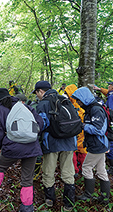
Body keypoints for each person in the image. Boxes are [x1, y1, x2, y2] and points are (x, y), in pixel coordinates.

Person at [0, 88, 44, 212]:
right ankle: (27, 207)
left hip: (11, 148)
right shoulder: (25, 107)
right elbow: (40, 123)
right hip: (32, 147)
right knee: (27, 178)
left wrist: (4, 145)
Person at [32, 81, 76, 211]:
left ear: (40, 91)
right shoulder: (65, 100)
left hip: (51, 143)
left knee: (48, 171)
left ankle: (50, 200)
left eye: (36, 93)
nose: (37, 96)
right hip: (69, 142)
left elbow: (41, 124)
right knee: (68, 172)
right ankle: (68, 203)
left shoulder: (43, 104)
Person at [72, 87, 110, 205]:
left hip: (97, 145)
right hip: (98, 144)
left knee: (87, 167)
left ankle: (88, 195)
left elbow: (99, 130)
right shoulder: (90, 109)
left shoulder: (96, 110)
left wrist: (83, 126)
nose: (78, 103)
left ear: (84, 98)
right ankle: (105, 198)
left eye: (78, 100)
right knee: (101, 170)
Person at [64, 84, 87, 177]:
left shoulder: (69, 104)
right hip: (81, 130)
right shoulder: (82, 103)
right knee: (82, 150)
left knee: (73, 150)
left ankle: (75, 170)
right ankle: (83, 169)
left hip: (74, 131)